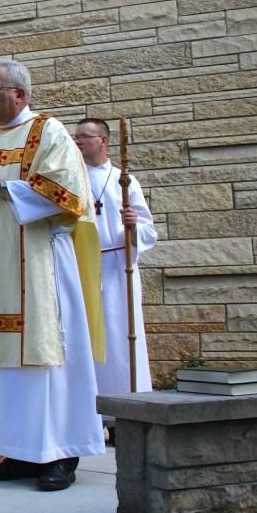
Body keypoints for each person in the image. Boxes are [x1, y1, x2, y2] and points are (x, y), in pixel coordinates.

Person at [0, 57, 106, 491]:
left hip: (41, 264)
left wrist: (7, 186)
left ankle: (61, 454)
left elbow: (70, 195)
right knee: (3, 368)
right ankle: (18, 451)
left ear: (20, 93)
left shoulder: (49, 133)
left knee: (48, 361)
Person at [74, 118, 157, 403]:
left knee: (122, 336)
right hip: (83, 267)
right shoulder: (72, 180)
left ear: (104, 140)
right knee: (86, 337)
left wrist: (132, 225)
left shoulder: (125, 181)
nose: (78, 141)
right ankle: (91, 406)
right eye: (76, 137)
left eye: (85, 136)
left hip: (118, 267)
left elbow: (147, 230)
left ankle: (128, 403)